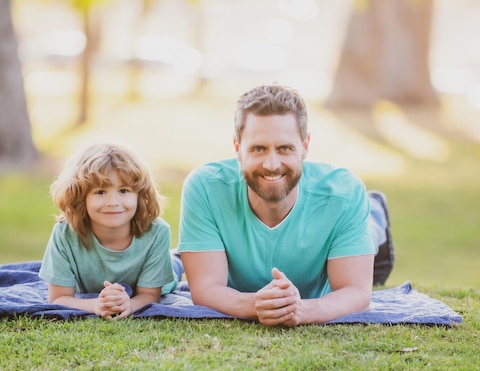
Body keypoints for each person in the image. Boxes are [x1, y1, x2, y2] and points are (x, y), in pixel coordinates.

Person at [177, 83, 394, 326]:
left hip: (342, 213)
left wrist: (302, 310)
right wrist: (257, 305)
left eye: (285, 148)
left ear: (305, 146)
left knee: (368, 231)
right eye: (258, 149)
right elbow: (205, 289)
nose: (271, 164)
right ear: (238, 148)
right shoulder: (205, 187)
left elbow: (357, 293)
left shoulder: (345, 193)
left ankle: (374, 212)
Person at [39, 143, 178, 320]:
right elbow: (58, 297)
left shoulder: (157, 232)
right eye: (100, 192)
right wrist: (96, 305)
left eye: (123, 190)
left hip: (155, 277)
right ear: (80, 197)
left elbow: (150, 295)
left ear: (140, 195)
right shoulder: (64, 233)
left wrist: (130, 305)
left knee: (174, 267)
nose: (113, 201)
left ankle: (177, 257)